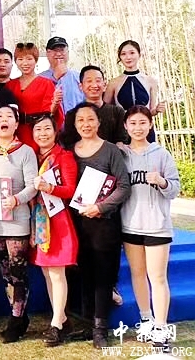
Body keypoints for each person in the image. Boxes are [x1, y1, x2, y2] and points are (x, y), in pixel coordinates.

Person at [60, 102, 131, 349]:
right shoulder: (69, 151)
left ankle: (101, 328)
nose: (86, 124)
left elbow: (124, 186)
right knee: (84, 273)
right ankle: (87, 323)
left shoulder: (111, 150)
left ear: (99, 122)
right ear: (75, 124)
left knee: (103, 276)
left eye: (90, 119)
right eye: (80, 120)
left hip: (104, 223)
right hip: (76, 222)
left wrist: (100, 207)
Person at [119, 105, 180, 352]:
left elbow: (174, 189)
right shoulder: (121, 154)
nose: (137, 128)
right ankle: (146, 320)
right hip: (130, 224)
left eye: (142, 123)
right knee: (137, 273)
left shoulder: (162, 154)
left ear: (150, 125)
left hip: (157, 226)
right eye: (133, 123)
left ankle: (161, 328)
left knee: (157, 277)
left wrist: (162, 181)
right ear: (125, 126)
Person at [0, 106, 38, 343]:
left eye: (9, 117)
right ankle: (20, 317)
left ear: (16, 123)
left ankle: (15, 321)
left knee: (18, 272)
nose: (4, 120)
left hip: (17, 221)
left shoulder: (26, 152)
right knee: (5, 273)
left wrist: (16, 199)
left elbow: (32, 186)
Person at [29, 114, 79, 346]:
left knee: (57, 273)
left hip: (57, 220)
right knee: (47, 273)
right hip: (38, 220)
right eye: (38, 129)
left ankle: (56, 324)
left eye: (47, 128)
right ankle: (62, 319)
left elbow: (71, 190)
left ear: (56, 131)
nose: (42, 134)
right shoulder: (31, 156)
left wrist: (49, 187)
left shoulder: (64, 156)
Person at [4, 43, 63, 151]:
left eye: (29, 59)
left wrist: (55, 103)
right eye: (20, 59)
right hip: (15, 132)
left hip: (37, 132)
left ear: (35, 60)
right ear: (15, 62)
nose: (25, 63)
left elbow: (50, 114)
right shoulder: (9, 85)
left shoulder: (46, 83)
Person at [105, 40, 166, 141]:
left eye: (132, 53)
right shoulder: (113, 83)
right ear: (120, 57)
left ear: (139, 55)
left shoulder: (151, 81)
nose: (128, 57)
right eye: (123, 54)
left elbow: (151, 111)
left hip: (145, 131)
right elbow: (106, 109)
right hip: (122, 132)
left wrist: (157, 110)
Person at [62, 65, 130, 148]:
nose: (94, 85)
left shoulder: (117, 112)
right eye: (89, 81)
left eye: (98, 81)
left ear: (104, 85)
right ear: (81, 86)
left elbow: (122, 141)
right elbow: (69, 144)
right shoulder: (72, 115)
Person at [39, 36, 85, 113]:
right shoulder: (39, 79)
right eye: (55, 50)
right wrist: (55, 77)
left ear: (68, 52)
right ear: (47, 53)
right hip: (50, 120)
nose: (59, 54)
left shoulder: (79, 77)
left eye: (62, 50)